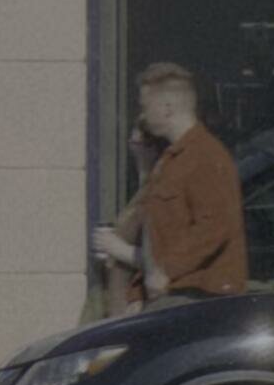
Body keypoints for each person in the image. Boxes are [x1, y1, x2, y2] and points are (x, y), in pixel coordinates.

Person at [95, 62, 247, 307]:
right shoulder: (171, 161)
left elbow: (215, 226)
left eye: (145, 107)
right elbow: (154, 235)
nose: (143, 116)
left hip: (196, 298)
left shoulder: (205, 157)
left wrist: (165, 269)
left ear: (167, 108)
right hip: (171, 295)